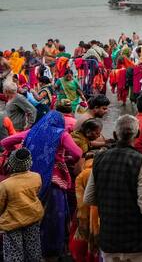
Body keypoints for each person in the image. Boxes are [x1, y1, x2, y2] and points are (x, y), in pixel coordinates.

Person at [84, 115, 142, 261]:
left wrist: (111, 204)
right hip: (136, 241)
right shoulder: (141, 161)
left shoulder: (99, 159)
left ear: (115, 135)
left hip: (109, 239)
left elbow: (89, 197)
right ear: (137, 135)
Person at [2, 110, 82, 259]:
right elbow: (77, 153)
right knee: (53, 218)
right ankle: (52, 250)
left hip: (32, 179)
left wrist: (16, 156)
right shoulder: (62, 134)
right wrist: (64, 159)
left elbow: (5, 142)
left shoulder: (33, 131)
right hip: (53, 180)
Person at [0, 148, 44, 262]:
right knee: (33, 252)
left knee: (14, 254)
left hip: (12, 223)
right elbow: (37, 194)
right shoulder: (37, 177)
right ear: (29, 162)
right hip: (33, 218)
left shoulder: (5, 185)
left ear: (12, 162)